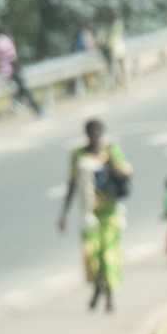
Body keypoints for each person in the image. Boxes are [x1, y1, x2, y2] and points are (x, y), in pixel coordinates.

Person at [58, 119, 131, 311]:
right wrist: (64, 214)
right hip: (90, 215)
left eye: (98, 134)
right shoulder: (78, 155)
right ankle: (98, 289)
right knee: (92, 257)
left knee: (109, 258)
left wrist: (110, 164)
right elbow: (72, 183)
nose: (95, 138)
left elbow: (126, 175)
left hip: (111, 214)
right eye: (91, 134)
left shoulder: (111, 151)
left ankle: (109, 298)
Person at [0, 28, 42, 118]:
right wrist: (17, 69)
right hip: (11, 71)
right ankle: (36, 109)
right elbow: (12, 58)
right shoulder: (6, 42)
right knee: (25, 89)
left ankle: (19, 101)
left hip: (2, 73)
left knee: (22, 89)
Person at [104, 14, 128, 86]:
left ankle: (121, 80)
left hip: (115, 48)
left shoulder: (112, 28)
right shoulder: (117, 26)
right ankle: (122, 80)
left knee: (117, 65)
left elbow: (107, 40)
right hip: (117, 47)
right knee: (120, 65)